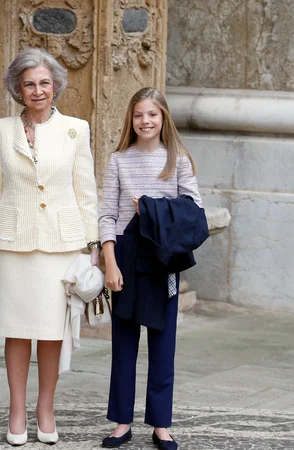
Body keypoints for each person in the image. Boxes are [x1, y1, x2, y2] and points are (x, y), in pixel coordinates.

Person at [0, 47, 100, 446]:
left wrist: (92, 247)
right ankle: (16, 410)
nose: (37, 90)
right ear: (18, 88)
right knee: (16, 331)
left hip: (61, 246)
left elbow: (87, 192)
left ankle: (45, 408)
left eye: (44, 83)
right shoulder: (0, 130)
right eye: (29, 84)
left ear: (56, 86)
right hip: (14, 245)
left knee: (51, 333)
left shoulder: (75, 130)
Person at [99, 87, 204, 450]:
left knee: (163, 344)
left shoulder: (178, 160)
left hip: (163, 261)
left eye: (152, 115)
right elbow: (107, 215)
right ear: (131, 119)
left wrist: (150, 209)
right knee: (124, 344)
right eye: (139, 115)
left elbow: (193, 210)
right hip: (125, 256)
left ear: (163, 118)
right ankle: (122, 422)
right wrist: (109, 263)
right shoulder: (118, 160)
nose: (145, 121)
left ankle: (161, 424)